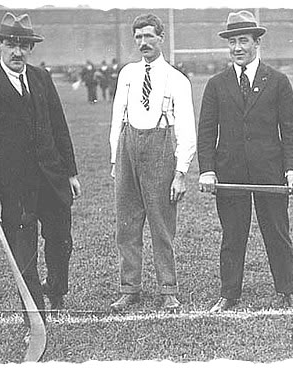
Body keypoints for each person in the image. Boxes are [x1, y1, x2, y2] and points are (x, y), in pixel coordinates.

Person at [0, 12, 82, 329]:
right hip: (13, 191)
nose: (18, 52)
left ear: (31, 48)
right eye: (12, 44)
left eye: (24, 46)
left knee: (60, 242)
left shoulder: (41, 78)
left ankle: (56, 292)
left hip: (52, 181)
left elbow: (59, 126)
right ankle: (36, 319)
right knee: (24, 256)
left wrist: (70, 172)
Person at [197, 10, 293, 312]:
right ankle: (228, 294)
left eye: (243, 41)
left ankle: (287, 290)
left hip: (270, 173)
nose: (237, 48)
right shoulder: (216, 84)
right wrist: (207, 170)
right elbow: (206, 131)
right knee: (232, 236)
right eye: (232, 42)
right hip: (230, 174)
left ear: (257, 42)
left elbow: (291, 128)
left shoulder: (278, 81)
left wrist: (291, 169)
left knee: (277, 233)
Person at [108, 13, 196, 312]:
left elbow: (186, 129)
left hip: (160, 150)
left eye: (148, 36)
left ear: (161, 37)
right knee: (127, 226)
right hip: (127, 149)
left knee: (161, 226)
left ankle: (167, 289)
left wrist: (181, 172)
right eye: (138, 37)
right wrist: (113, 161)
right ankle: (129, 288)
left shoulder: (177, 79)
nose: (143, 42)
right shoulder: (128, 74)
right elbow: (116, 119)